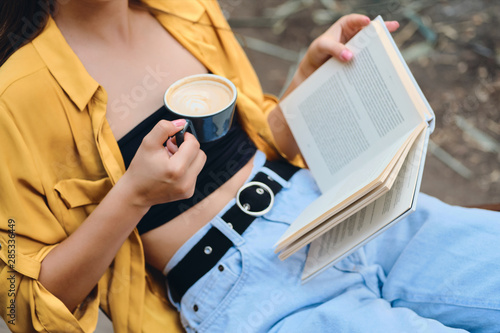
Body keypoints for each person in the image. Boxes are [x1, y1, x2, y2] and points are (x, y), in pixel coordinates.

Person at [0, 1, 499, 332]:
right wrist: (134, 196)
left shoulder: (186, 8)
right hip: (241, 283)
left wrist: (309, 78)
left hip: (333, 207)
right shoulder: (16, 94)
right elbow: (23, 303)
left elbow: (258, 141)